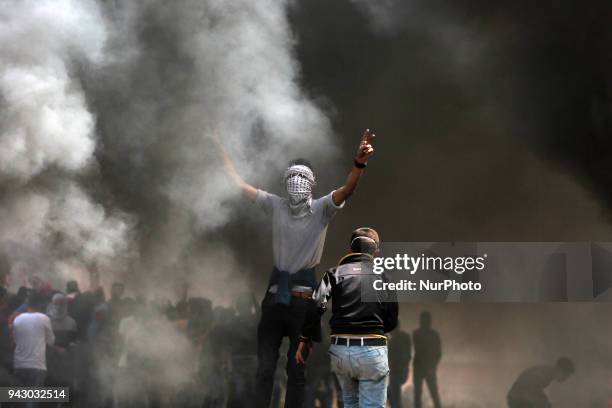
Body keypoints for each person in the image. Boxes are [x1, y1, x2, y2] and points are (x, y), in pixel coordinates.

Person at [214, 128, 376, 408]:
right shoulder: (275, 205)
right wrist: (219, 147)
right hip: (274, 298)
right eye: (292, 177)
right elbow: (239, 185)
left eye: (302, 177)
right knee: (264, 369)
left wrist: (359, 163)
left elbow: (347, 188)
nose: (296, 183)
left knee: (296, 369)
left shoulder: (322, 208)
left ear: (312, 184)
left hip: (302, 302)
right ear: (284, 182)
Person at [295, 227, 398, 408]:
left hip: (341, 351)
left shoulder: (334, 274)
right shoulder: (384, 277)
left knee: (349, 404)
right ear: (376, 253)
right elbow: (391, 321)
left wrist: (305, 338)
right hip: (372, 351)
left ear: (350, 250)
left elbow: (316, 305)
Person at [12, 291, 54, 399]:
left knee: (20, 399)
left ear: (28, 304)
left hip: (19, 364)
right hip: (37, 365)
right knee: (32, 399)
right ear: (40, 304)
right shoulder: (44, 318)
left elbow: (15, 340)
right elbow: (51, 341)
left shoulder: (17, 319)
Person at [507, 357, 575, 408]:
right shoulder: (545, 373)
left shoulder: (547, 373)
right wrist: (545, 404)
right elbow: (531, 389)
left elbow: (534, 391)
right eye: (567, 375)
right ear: (561, 370)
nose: (566, 378)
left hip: (518, 398)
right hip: (518, 399)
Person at [413, 311, 442, 408]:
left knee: (421, 394)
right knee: (431, 393)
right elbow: (437, 353)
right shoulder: (433, 335)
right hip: (425, 367)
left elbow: (437, 353)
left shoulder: (416, 334)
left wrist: (432, 366)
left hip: (422, 367)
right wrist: (433, 366)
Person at [388, 322, 412, 408]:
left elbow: (390, 358)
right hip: (401, 371)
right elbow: (408, 355)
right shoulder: (405, 337)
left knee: (393, 395)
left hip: (397, 372)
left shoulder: (393, 341)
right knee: (392, 394)